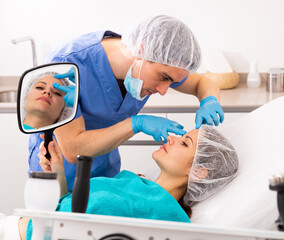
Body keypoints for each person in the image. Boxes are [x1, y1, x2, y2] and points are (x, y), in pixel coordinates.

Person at [28, 15, 226, 191]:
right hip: (59, 177)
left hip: (107, 177)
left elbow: (202, 82)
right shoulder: (67, 66)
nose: (164, 91)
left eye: (171, 82)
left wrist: (209, 100)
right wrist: (136, 123)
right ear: (142, 51)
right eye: (163, 77)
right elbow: (73, 149)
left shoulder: (161, 58)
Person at [18, 125, 238, 240]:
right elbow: (72, 212)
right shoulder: (132, 180)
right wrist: (58, 174)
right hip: (24, 226)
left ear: (198, 171)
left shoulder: (172, 219)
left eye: (184, 143)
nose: (171, 138)